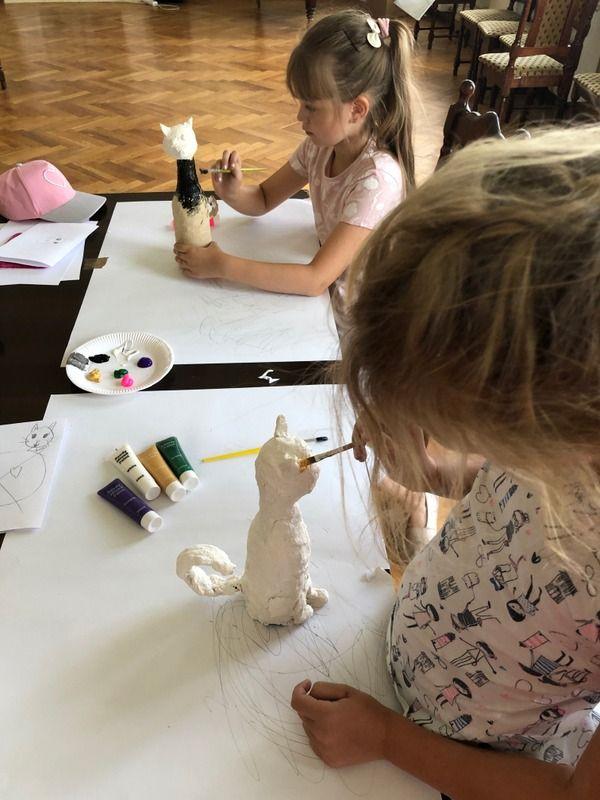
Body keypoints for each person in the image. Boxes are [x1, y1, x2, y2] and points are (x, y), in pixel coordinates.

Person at [291, 126, 600, 800]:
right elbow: (513, 497)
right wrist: (432, 472)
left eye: (462, 423)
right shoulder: (572, 427)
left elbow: (575, 793)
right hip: (406, 667)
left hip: (479, 761)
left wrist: (388, 740)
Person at [174, 9, 414, 296]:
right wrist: (235, 192)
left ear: (356, 110)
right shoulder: (319, 147)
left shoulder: (378, 179)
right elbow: (264, 198)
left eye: (311, 107)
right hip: (326, 288)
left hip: (360, 307)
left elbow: (315, 280)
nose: (300, 116)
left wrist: (221, 265)